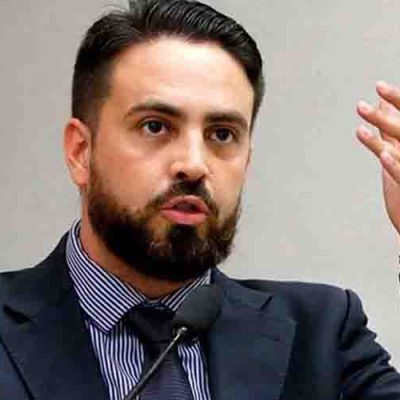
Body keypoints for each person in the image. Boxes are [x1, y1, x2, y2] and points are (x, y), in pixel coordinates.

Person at [0, 0, 399, 399]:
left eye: (222, 134)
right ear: (80, 152)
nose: (193, 165)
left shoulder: (321, 336)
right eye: (155, 126)